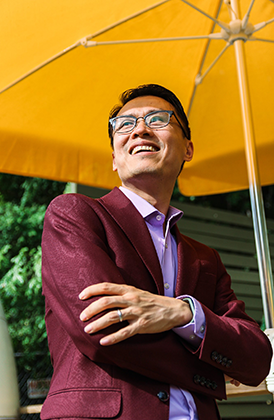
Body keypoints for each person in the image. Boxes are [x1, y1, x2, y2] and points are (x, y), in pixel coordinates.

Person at [41, 84, 272, 420]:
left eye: (158, 119)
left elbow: (257, 359)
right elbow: (102, 330)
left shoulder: (206, 258)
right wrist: (208, 364)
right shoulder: (74, 215)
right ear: (114, 158)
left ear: (187, 149)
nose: (139, 129)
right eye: (125, 124)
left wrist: (183, 314)